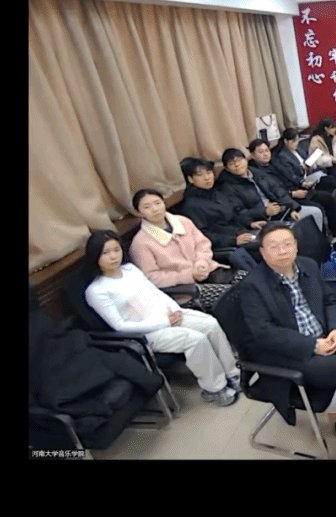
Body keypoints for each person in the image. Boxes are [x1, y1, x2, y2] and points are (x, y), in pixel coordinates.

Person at [238, 222, 336, 456]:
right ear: (262, 252)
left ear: (296, 246)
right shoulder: (252, 287)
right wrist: (313, 345)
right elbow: (264, 333)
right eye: (274, 247)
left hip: (327, 336)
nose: (282, 251)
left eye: (287, 244)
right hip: (293, 355)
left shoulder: (307, 265)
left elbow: (330, 300)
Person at [83, 231, 240, 406]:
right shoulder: (97, 291)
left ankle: (232, 373)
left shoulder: (130, 270)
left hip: (168, 314)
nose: (113, 256)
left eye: (116, 250)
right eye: (105, 253)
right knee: (196, 340)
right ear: (95, 256)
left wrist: (175, 309)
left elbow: (155, 291)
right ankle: (215, 388)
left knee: (210, 324)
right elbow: (120, 326)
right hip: (147, 332)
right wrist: (164, 322)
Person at [129, 189, 247, 312]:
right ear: (139, 213)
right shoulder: (140, 243)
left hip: (209, 271)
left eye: (157, 203)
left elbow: (203, 244)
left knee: (250, 281)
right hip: (186, 290)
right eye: (147, 207)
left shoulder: (183, 221)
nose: (155, 209)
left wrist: (201, 262)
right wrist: (189, 275)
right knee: (236, 296)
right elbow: (152, 277)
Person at [250, 139, 336, 239]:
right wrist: (292, 193)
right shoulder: (257, 173)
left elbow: (289, 177)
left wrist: (302, 183)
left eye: (267, 151)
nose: (265, 154)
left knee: (327, 194)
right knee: (318, 206)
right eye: (261, 152)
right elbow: (272, 193)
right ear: (252, 155)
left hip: (296, 189)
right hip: (287, 200)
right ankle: (323, 238)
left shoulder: (274, 163)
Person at [178, 157, 259, 272]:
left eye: (209, 172)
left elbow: (234, 214)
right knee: (266, 245)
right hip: (226, 244)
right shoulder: (191, 205)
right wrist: (233, 240)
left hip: (241, 233)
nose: (207, 178)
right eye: (200, 175)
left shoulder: (216, 192)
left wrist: (250, 223)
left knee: (273, 232)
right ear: (191, 179)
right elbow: (203, 235)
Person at [216, 148, 322, 232]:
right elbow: (238, 212)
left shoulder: (257, 173)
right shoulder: (227, 187)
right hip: (261, 219)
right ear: (227, 168)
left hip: (280, 211)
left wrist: (291, 209)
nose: (237, 165)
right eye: (231, 163)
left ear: (245, 160)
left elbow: (278, 190)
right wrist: (264, 212)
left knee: (315, 212)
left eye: (239, 160)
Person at [271, 127, 336, 193]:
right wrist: (302, 170)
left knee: (332, 180)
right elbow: (290, 175)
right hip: (302, 181)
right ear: (286, 141)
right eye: (293, 141)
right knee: (330, 181)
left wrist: (309, 165)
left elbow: (307, 161)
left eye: (297, 140)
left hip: (311, 174)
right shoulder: (283, 156)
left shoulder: (298, 150)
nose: (296, 143)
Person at [308, 117, 336, 183]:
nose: (335, 129)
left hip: (335, 165)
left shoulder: (334, 138)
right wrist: (330, 160)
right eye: (332, 127)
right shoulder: (316, 140)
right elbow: (314, 159)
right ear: (326, 128)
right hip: (324, 168)